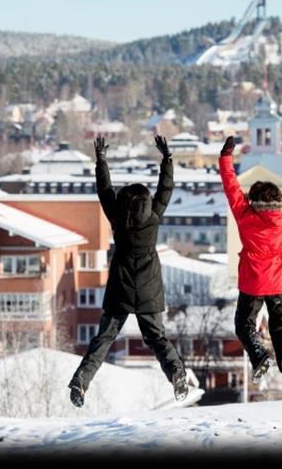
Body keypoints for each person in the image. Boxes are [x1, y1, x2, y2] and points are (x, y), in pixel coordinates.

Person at [68, 134, 187, 407]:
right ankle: (177, 374)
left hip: (120, 285)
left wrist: (101, 161)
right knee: (157, 338)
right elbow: (166, 189)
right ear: (145, 201)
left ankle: (80, 382)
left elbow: (104, 191)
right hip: (148, 287)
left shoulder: (117, 218)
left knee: (104, 338)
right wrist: (167, 159)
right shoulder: (154, 216)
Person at [218, 128, 282, 388]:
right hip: (279, 283)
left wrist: (226, 157)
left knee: (244, 325)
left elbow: (231, 187)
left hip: (252, 283)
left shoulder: (245, 215)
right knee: (281, 326)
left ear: (255, 199)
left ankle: (259, 356)